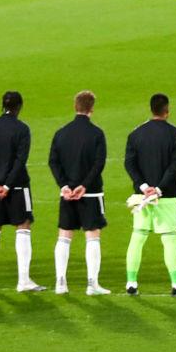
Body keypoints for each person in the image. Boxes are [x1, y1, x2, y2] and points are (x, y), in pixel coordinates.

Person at [122, 93, 176, 296]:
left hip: (141, 197)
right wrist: (159, 189)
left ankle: (131, 283)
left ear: (151, 109)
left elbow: (130, 163)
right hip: (167, 195)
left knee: (138, 237)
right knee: (169, 240)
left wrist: (144, 187)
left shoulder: (136, 134)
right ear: (166, 110)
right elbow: (175, 166)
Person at [48, 90, 111, 295]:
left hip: (67, 195)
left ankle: (60, 282)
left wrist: (64, 185)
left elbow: (53, 162)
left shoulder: (61, 133)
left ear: (75, 106)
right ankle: (92, 284)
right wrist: (84, 185)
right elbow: (98, 163)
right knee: (92, 237)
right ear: (92, 108)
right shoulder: (97, 133)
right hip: (90, 194)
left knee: (64, 236)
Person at [0, 90, 41, 291]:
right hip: (18, 186)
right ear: (19, 107)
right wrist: (7, 185)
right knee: (23, 227)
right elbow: (20, 159)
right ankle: (23, 281)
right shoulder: (22, 129)